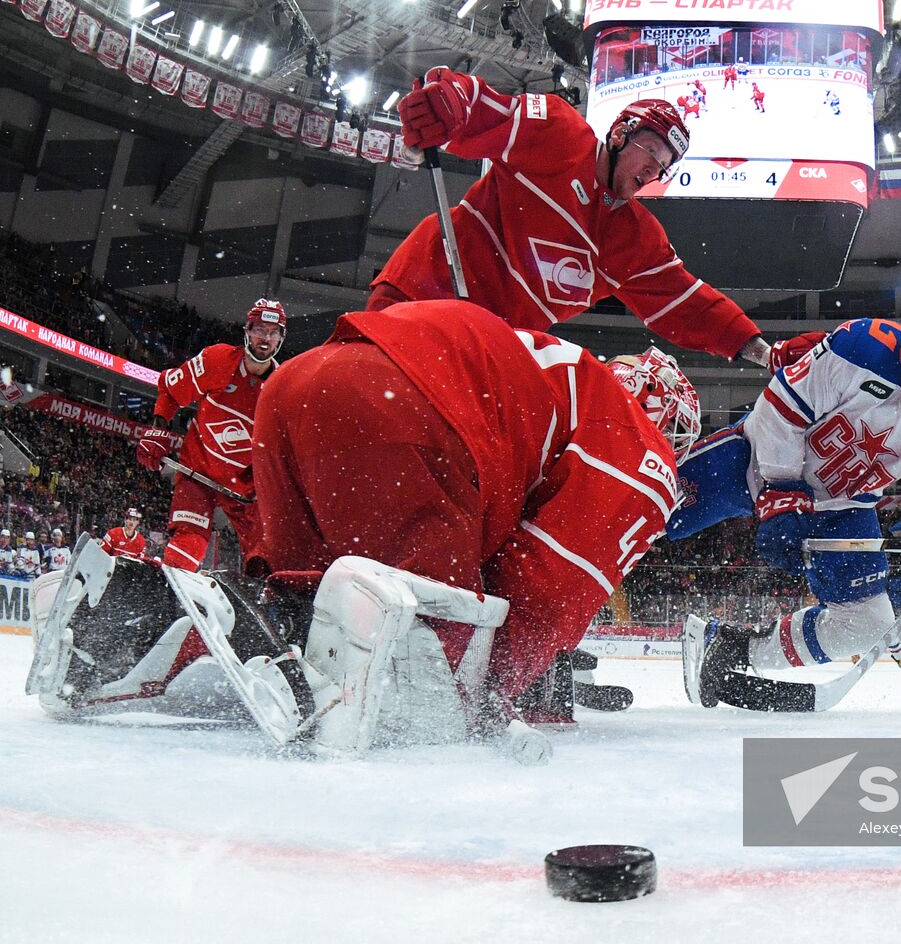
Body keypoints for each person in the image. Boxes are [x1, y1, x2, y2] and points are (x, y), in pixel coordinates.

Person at [249, 299, 701, 735]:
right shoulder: (635, 436)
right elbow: (553, 585)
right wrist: (494, 686)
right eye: (676, 434)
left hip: (295, 385)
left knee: (311, 590)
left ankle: (258, 641)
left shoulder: (561, 371)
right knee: (428, 635)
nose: (671, 448)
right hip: (398, 405)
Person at [677, 271, 901, 710]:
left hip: (841, 506)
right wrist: (781, 490)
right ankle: (562, 642)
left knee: (867, 624)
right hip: (752, 458)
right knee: (641, 510)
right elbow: (782, 403)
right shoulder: (866, 343)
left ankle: (732, 650)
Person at [376, 72, 773, 369]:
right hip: (426, 288)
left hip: (487, 349)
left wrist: (762, 352)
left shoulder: (636, 240)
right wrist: (452, 100)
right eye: (651, 150)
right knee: (362, 385)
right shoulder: (557, 132)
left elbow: (690, 306)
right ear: (619, 134)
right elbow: (487, 109)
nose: (655, 169)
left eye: (664, 165)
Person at [135, 299, 286, 573]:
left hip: (243, 490)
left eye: (273, 331)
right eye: (259, 329)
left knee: (268, 561)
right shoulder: (217, 361)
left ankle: (256, 611)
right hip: (198, 473)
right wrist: (157, 428)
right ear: (247, 331)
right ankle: (170, 607)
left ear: (281, 338)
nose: (265, 338)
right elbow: (171, 390)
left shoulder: (283, 389)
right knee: (187, 547)